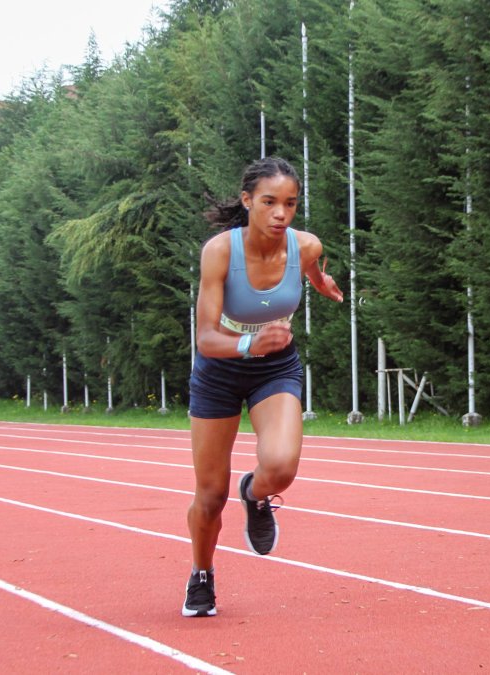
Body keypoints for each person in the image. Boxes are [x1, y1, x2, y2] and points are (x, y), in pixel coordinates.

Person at [182, 157, 343, 617]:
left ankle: (254, 494)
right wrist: (251, 342)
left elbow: (309, 267)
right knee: (210, 495)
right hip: (219, 371)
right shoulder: (221, 252)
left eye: (290, 204)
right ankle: (202, 573)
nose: (280, 214)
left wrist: (321, 281)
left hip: (275, 368)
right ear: (248, 200)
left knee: (282, 467)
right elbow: (206, 339)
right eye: (270, 202)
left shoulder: (306, 245)